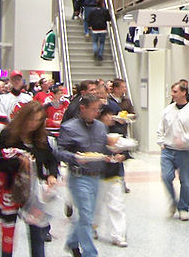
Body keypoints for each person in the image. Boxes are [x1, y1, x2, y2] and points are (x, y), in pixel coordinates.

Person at [57, 94, 122, 257]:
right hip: (79, 176)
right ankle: (90, 253)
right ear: (82, 109)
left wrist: (113, 155)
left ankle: (72, 241)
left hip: (96, 176)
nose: (96, 113)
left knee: (89, 214)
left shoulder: (100, 127)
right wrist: (74, 157)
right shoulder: (69, 127)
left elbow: (102, 150)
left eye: (98, 109)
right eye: (93, 109)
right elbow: (59, 152)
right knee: (86, 213)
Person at [0, 101, 59, 257]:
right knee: (8, 234)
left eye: (38, 121)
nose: (34, 124)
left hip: (34, 190)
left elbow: (51, 159)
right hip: (11, 188)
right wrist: (18, 163)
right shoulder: (8, 134)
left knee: (37, 233)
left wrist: (52, 174)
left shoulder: (41, 138)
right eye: (32, 119)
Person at [157, 81, 189, 221]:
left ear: (183, 93)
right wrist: (161, 142)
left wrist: (185, 140)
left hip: (185, 152)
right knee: (166, 177)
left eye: (175, 92)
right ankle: (173, 201)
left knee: (186, 181)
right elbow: (161, 128)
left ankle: (183, 208)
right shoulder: (168, 110)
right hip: (168, 150)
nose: (172, 94)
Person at [95, 104, 128, 247]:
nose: (110, 118)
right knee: (95, 205)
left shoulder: (118, 131)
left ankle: (118, 234)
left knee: (117, 204)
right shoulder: (93, 131)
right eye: (107, 115)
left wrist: (123, 156)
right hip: (97, 173)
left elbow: (126, 149)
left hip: (114, 173)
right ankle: (92, 228)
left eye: (112, 114)